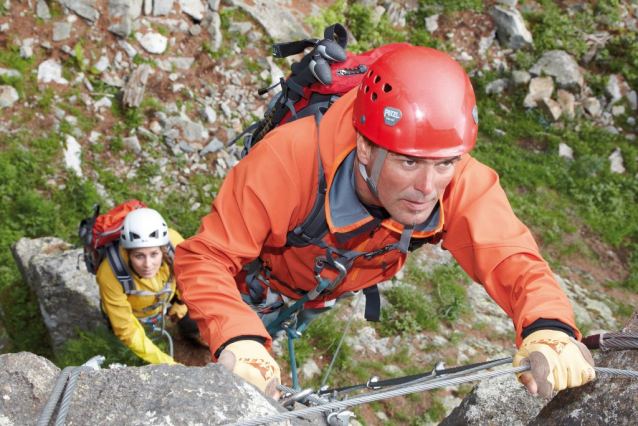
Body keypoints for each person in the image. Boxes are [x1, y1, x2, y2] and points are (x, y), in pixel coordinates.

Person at [174, 46, 595, 399]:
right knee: (226, 328)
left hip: (325, 284)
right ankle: (197, 333)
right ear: (363, 147)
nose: (428, 187)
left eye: (446, 163)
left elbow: (512, 259)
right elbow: (206, 256)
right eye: (408, 162)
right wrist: (237, 338)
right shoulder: (289, 161)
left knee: (293, 320)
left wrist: (549, 326)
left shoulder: (456, 178)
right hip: (260, 277)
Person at [97, 207, 207, 365]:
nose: (148, 265)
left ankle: (193, 332)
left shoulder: (174, 243)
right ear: (127, 252)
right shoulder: (110, 274)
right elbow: (127, 329)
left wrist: (181, 302)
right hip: (132, 309)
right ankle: (126, 353)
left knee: (191, 317)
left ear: (163, 249)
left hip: (166, 296)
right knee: (120, 334)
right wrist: (166, 363)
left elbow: (188, 275)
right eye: (139, 255)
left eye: (154, 254)